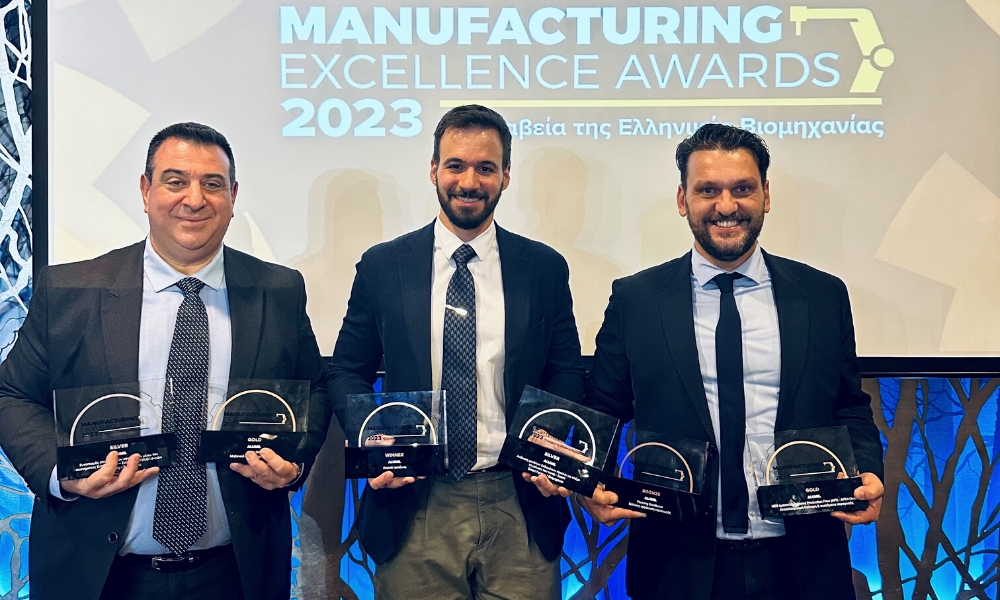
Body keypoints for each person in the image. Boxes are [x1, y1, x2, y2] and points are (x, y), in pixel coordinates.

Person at [0, 122, 330, 600]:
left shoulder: (278, 290)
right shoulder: (69, 290)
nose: (194, 199)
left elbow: (315, 388)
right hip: (97, 573)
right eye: (176, 181)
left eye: (212, 184)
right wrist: (60, 474)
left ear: (233, 196)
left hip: (236, 573)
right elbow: (11, 394)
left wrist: (294, 462)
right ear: (145, 190)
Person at [578, 123, 885, 600]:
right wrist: (588, 484)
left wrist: (868, 471)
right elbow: (602, 409)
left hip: (804, 560)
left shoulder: (822, 295)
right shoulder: (636, 299)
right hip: (676, 564)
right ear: (682, 200)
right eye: (708, 191)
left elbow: (848, 404)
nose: (726, 206)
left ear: (766, 195)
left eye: (742, 189)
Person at [327, 104, 585, 599]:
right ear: (433, 170)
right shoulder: (383, 266)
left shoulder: (544, 268)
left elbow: (566, 370)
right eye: (455, 165)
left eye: (485, 167)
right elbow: (345, 372)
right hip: (413, 499)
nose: (469, 181)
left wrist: (549, 439)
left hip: (520, 499)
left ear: (506, 176)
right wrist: (373, 438)